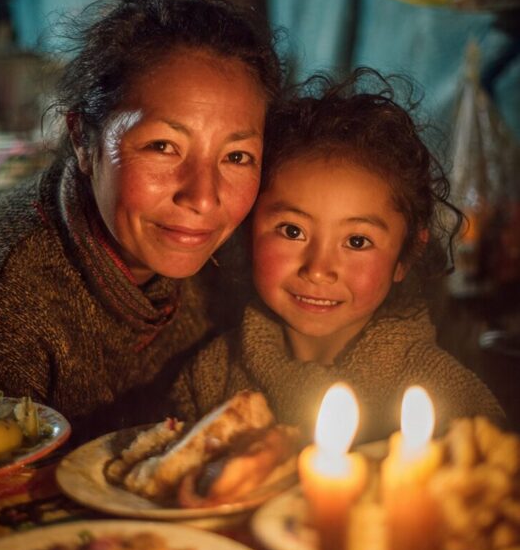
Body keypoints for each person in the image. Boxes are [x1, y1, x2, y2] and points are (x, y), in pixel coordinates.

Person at [0, 0, 283, 441]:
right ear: (84, 140)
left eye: (237, 157)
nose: (203, 198)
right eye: (162, 146)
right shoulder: (0, 310)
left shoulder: (248, 255)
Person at [171, 69, 504, 443]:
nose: (318, 270)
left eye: (357, 242)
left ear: (406, 256)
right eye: (292, 231)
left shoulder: (444, 397)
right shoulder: (213, 374)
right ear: (248, 230)